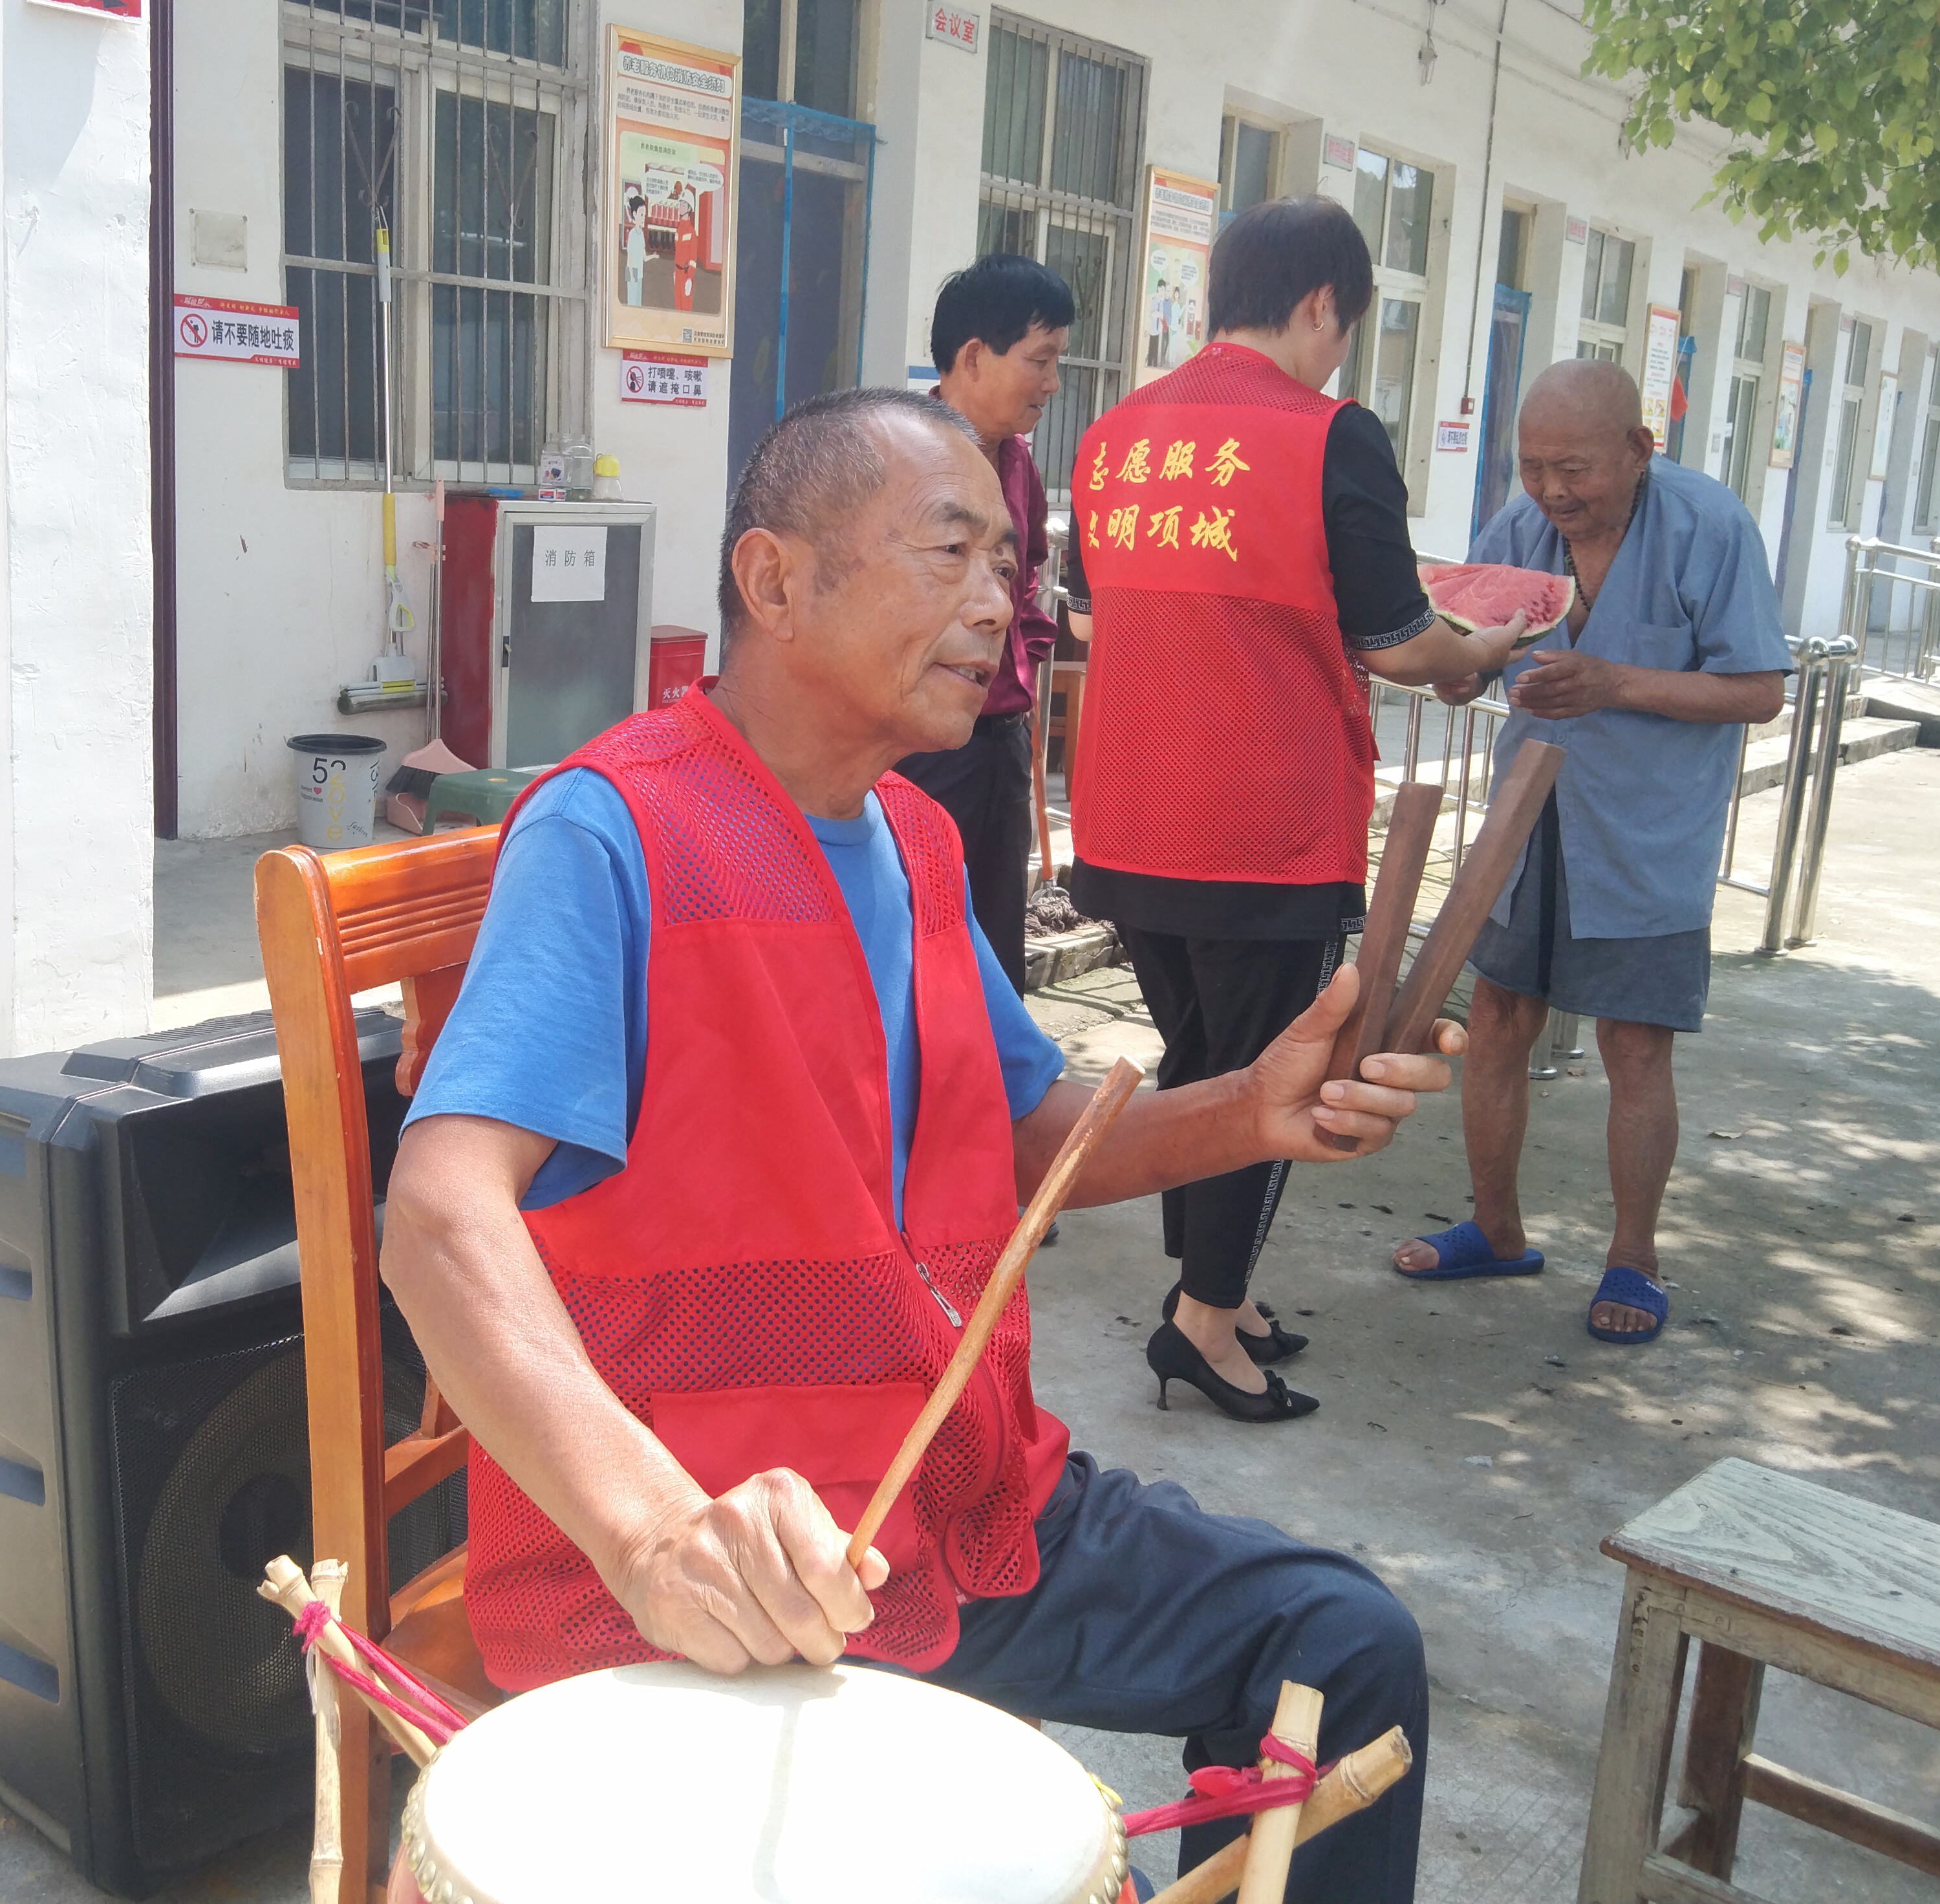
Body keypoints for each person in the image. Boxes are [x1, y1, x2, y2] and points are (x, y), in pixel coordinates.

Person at [387, 387, 1465, 1902]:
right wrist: (652, 1534)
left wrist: (1250, 1109)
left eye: (1009, 566)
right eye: (950, 553)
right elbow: (439, 1218)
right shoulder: (611, 831)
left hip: (957, 1501)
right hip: (731, 1573)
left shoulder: (916, 838)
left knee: (1343, 1645)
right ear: (774, 581)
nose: (998, 606)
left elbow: (1027, 1137)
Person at [1062, 198, 1520, 1422]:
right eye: (1345, 329)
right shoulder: (1329, 436)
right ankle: (1205, 1325)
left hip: (1128, 816)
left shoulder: (1113, 437)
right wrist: (1483, 651)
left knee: (1200, 1061)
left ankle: (1216, 1289)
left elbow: (1090, 618)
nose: (1338, 356)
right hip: (1264, 829)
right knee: (1267, 1080)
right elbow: (1400, 640)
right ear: (1323, 304)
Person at [1393, 360, 1787, 1343]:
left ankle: (1634, 1258)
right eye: (1532, 467)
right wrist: (1454, 670)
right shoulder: (1518, 528)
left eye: (1573, 468)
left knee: (1635, 1043)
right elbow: (1465, 653)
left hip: (1647, 831)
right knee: (1496, 1018)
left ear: (1638, 450)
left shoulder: (1710, 526)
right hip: (1527, 816)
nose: (1551, 491)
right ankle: (1495, 1228)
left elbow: (1758, 691)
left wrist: (1616, 682)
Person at [892, 255, 1068, 991]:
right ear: (972, 356)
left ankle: (995, 1062)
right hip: (919, 744)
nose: (1052, 383)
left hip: (998, 735)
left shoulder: (1018, 462)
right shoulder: (899, 456)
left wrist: (1019, 661)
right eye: (1040, 360)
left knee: (992, 944)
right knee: (914, 939)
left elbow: (1027, 573)